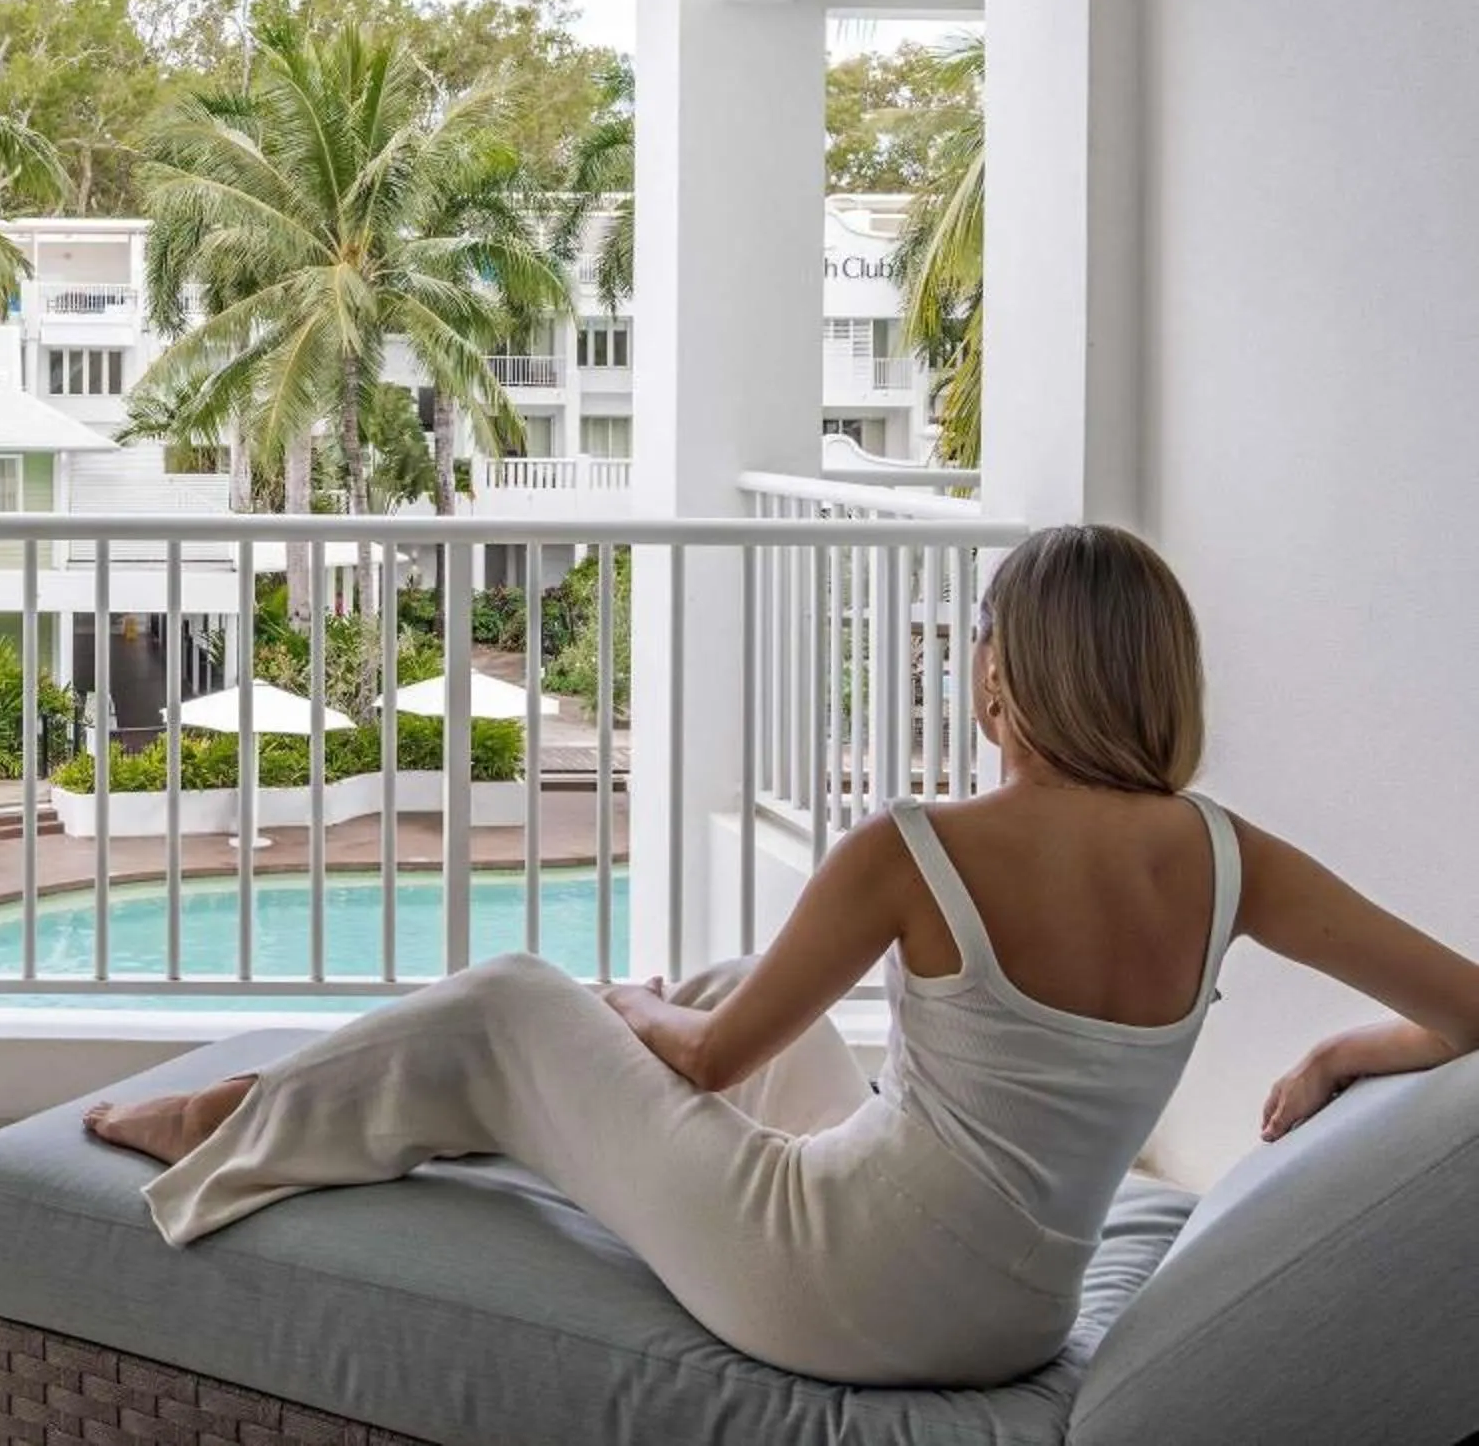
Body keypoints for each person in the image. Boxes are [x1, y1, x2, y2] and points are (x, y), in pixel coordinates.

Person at [85, 524, 1479, 1387]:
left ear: (1003, 675)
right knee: (724, 981)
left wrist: (601, 1003)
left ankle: (237, 1120)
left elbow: (706, 1064)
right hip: (1016, 1315)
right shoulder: (1233, 855)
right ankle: (411, 1106)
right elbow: (1469, 1006)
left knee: (526, 997)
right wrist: (1354, 1043)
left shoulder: (919, 842)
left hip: (840, 1285)